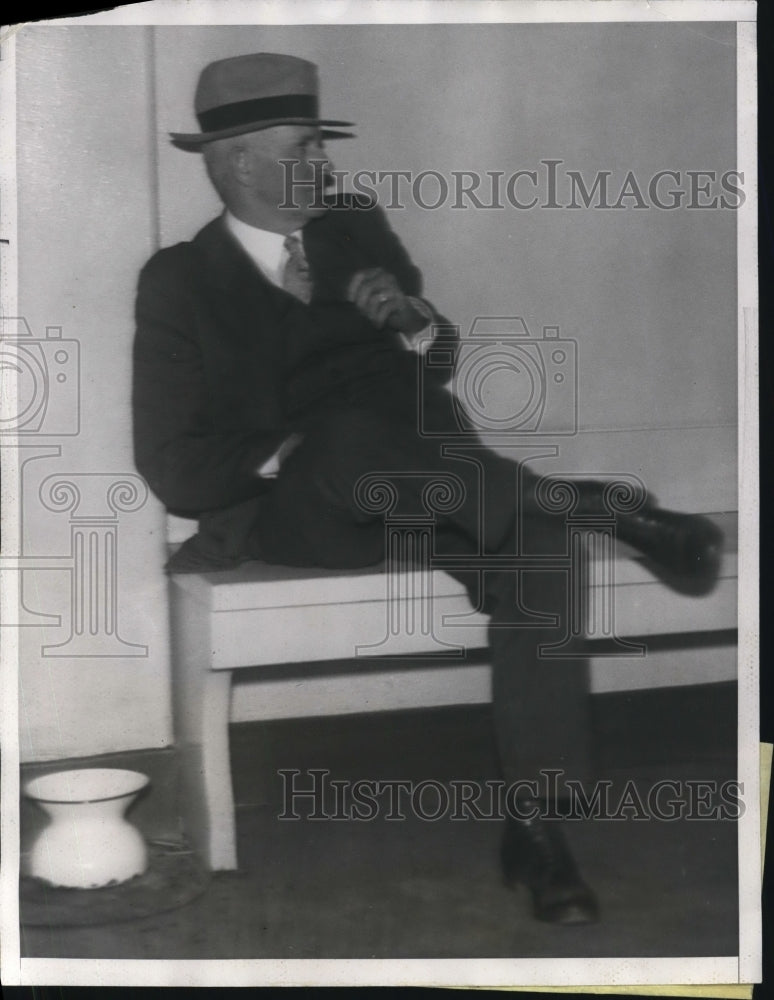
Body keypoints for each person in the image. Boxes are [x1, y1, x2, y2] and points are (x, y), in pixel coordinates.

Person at [132, 53, 723, 926]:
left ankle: (537, 829)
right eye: (304, 148)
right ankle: (599, 504)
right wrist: (287, 449)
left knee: (539, 551)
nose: (325, 168)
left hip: (439, 487)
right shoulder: (179, 282)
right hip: (308, 512)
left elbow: (434, 356)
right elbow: (171, 465)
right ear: (237, 163)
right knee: (343, 438)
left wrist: (412, 322)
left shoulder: (353, 226)